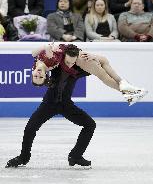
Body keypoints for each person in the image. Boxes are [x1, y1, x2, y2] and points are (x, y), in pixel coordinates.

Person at [5, 44, 147, 168]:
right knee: (30, 128)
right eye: (39, 77)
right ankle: (24, 157)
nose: (70, 65)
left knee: (90, 125)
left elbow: (100, 65)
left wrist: (92, 56)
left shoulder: (75, 68)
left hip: (66, 105)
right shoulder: (53, 66)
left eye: (38, 76)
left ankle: (75, 156)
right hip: (49, 104)